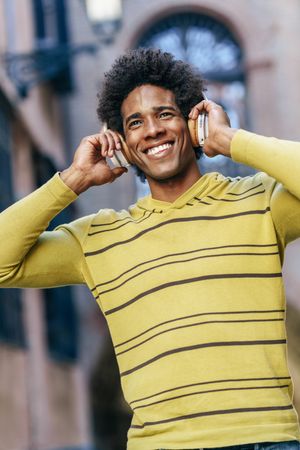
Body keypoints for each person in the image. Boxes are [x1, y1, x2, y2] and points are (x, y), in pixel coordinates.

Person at [1, 48, 300, 450]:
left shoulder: (260, 202)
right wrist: (72, 179)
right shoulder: (98, 238)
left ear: (192, 123)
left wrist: (229, 140)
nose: (152, 130)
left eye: (164, 114)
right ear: (123, 143)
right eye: (135, 122)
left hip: (267, 440)